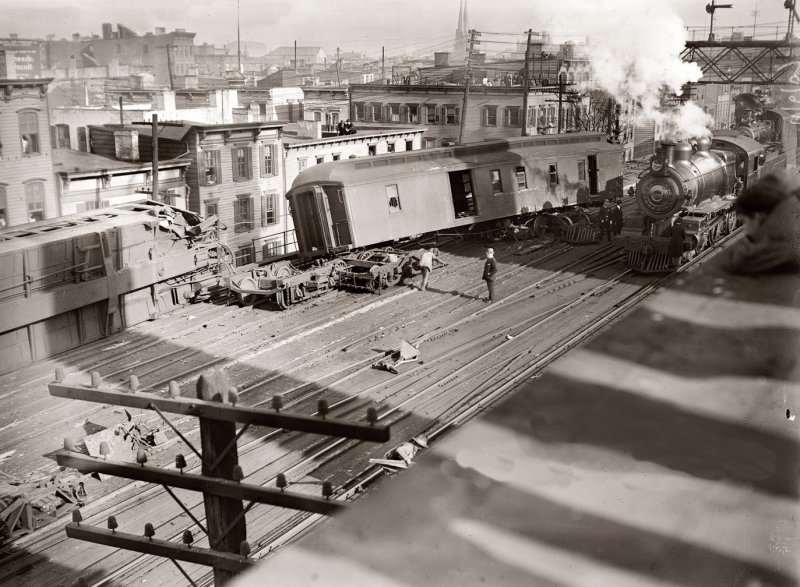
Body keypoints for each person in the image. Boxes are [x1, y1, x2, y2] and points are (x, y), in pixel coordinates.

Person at [723, 172, 800, 274]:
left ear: (758, 217)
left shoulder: (786, 243)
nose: (746, 230)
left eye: (745, 222)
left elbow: (740, 260)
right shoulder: (789, 220)